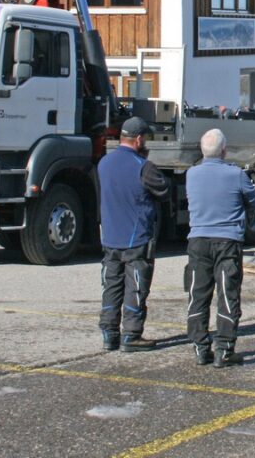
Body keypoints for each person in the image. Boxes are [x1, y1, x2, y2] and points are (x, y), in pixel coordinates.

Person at [184, 128, 255, 368]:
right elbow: (254, 200)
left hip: (198, 240)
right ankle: (224, 349)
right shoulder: (236, 174)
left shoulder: (191, 174)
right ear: (224, 151)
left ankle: (200, 347)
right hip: (228, 241)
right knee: (227, 294)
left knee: (198, 294)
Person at [98, 116, 171, 352]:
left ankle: (109, 333)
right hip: (136, 237)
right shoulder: (143, 167)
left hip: (110, 237)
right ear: (139, 139)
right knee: (136, 286)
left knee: (111, 285)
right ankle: (131, 334)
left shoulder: (104, 163)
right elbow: (163, 190)